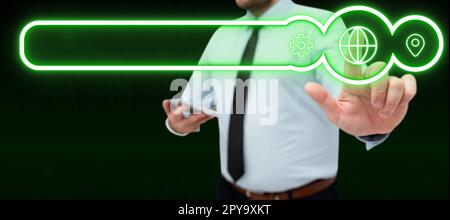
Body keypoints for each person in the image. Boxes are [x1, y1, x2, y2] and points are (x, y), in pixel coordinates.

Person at [162, 0, 417, 200]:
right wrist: (177, 124)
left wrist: (372, 125)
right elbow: (191, 103)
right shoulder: (222, 35)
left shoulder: (321, 25)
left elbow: (347, 97)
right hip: (229, 196)